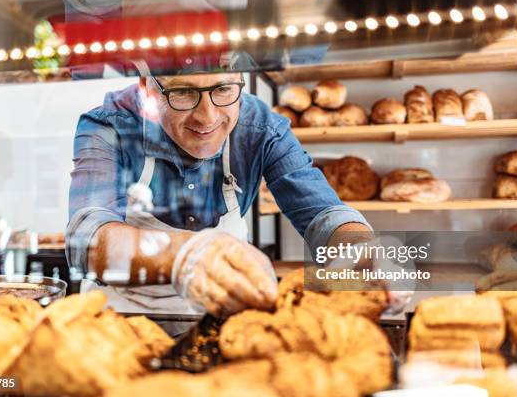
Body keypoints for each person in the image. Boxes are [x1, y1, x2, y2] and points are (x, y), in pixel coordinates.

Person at [66, 69, 372, 316]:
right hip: (120, 325)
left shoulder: (261, 128)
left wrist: (363, 254)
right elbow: (87, 240)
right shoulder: (110, 124)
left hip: (224, 325)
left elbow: (323, 214)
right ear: (148, 86)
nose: (208, 117)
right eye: (183, 92)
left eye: (223, 89)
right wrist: (181, 255)